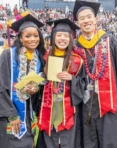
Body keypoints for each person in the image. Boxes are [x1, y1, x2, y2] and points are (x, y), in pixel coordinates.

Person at [73, 0, 117, 148]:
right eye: (82, 18)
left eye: (89, 16)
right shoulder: (75, 47)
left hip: (109, 102)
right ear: (78, 23)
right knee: (88, 139)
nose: (86, 21)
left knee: (111, 139)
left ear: (95, 19)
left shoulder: (110, 41)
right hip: (85, 103)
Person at [0, 14, 46, 148]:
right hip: (6, 113)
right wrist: (12, 115)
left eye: (36, 36)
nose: (33, 39)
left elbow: (38, 84)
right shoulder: (9, 55)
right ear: (20, 38)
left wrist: (35, 89)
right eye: (28, 36)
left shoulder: (38, 58)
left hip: (26, 112)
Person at [38, 18, 86, 148]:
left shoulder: (77, 60)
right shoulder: (45, 56)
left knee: (67, 140)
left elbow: (84, 83)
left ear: (71, 38)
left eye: (66, 36)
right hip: (48, 105)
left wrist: (72, 79)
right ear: (53, 37)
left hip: (68, 108)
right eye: (59, 35)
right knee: (49, 137)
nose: (62, 38)